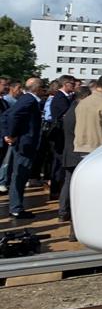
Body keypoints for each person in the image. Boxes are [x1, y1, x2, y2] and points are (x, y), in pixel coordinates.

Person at [3, 77, 46, 219]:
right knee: (19, 176)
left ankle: (16, 206)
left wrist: (9, 135)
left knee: (18, 176)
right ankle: (16, 208)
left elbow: (6, 115)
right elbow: (12, 115)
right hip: (25, 144)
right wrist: (11, 134)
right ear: (38, 89)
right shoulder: (29, 100)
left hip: (23, 143)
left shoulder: (25, 98)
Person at [58, 86, 93, 224]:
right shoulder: (78, 111)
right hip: (75, 152)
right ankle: (65, 212)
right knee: (70, 184)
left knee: (68, 183)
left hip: (70, 151)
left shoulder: (72, 109)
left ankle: (63, 211)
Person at [44, 75, 76, 200]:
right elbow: (65, 114)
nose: (73, 86)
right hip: (59, 136)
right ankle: (55, 190)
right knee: (58, 164)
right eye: (72, 84)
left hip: (62, 135)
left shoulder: (65, 97)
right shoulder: (60, 97)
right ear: (65, 84)